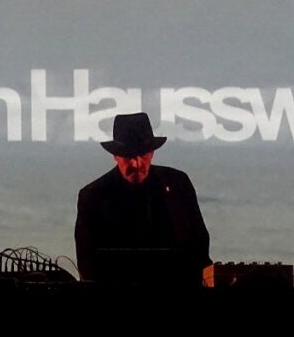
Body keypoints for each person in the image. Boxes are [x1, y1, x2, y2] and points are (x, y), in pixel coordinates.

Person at [74, 112, 211, 286]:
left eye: (142, 155)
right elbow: (89, 265)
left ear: (152, 153)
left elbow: (199, 244)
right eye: (129, 156)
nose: (136, 163)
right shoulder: (93, 197)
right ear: (115, 156)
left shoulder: (178, 184)